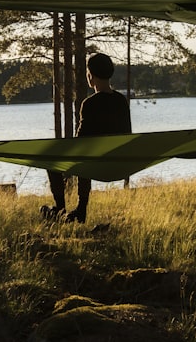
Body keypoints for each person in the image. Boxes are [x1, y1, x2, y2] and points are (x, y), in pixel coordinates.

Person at [42, 52, 132, 223]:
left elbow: (81, 141)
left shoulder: (89, 104)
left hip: (93, 163)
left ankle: (61, 209)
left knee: (53, 162)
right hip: (119, 163)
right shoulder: (121, 101)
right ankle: (80, 209)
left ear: (90, 76)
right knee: (87, 157)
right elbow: (126, 134)